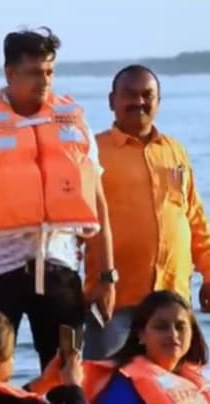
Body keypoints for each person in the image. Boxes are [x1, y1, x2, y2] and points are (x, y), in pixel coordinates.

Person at [0, 26, 116, 372]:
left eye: (50, 71)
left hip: (59, 271)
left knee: (66, 376)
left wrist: (106, 277)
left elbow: (98, 205)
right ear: (10, 73)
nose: (44, 81)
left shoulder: (74, 124)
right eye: (35, 72)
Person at [83, 65, 210, 360]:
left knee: (176, 382)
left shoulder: (175, 151)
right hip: (115, 301)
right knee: (106, 379)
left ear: (158, 102)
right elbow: (75, 225)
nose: (138, 101)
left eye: (147, 95)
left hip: (173, 302)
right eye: (129, 94)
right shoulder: (93, 153)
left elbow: (194, 219)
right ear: (112, 100)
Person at [84, 290, 210, 404]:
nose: (173, 334)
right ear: (141, 335)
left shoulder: (196, 384)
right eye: (161, 326)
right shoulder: (123, 386)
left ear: (192, 334)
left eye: (180, 327)